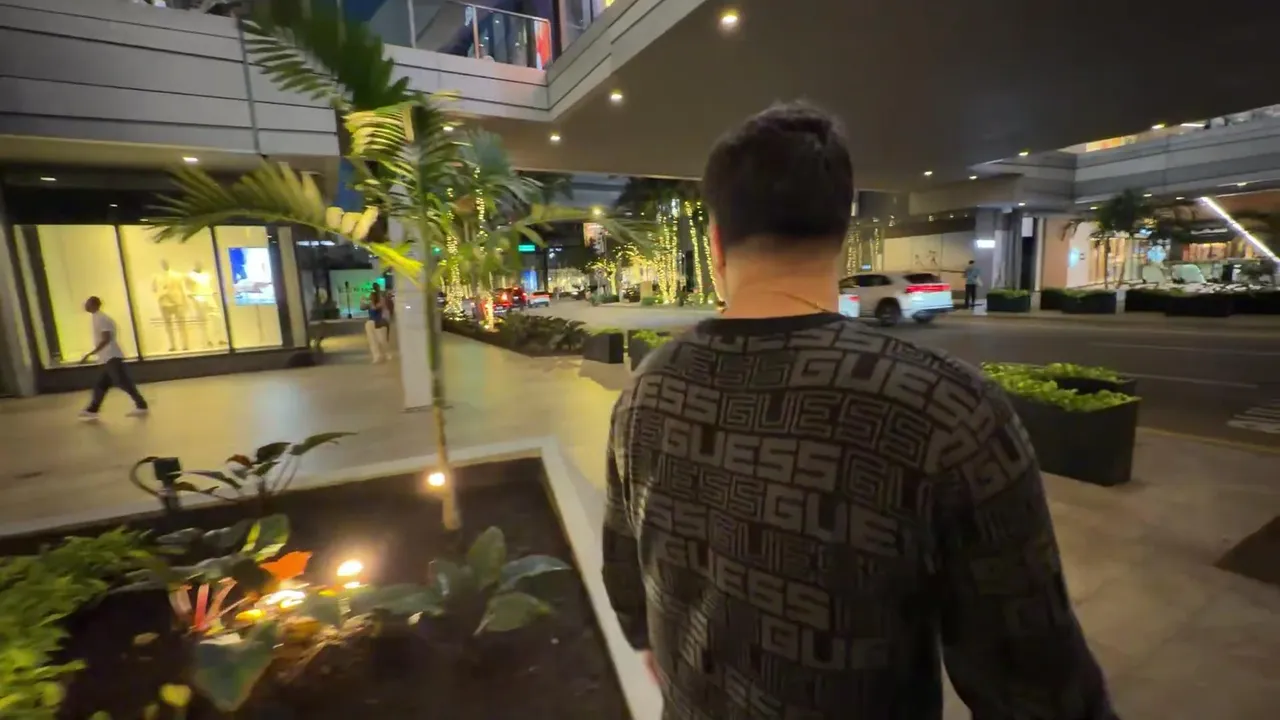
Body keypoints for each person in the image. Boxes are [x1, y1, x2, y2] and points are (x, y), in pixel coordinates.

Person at [601, 102, 1114, 719]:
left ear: (715, 245)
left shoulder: (646, 391)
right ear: (841, 238)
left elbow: (628, 586)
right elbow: (1039, 685)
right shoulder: (947, 411)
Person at [79, 296, 148, 421]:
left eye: (88, 303)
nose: (85, 306)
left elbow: (106, 338)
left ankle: (141, 405)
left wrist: (91, 353)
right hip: (106, 358)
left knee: (122, 381)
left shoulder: (102, 319)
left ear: (94, 305)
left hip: (111, 356)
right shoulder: (96, 318)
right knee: (102, 384)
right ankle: (92, 409)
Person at [362, 285, 391, 363]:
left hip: (379, 322)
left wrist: (372, 302)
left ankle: (386, 353)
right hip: (370, 322)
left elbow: (376, 307)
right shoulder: (370, 301)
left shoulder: (380, 300)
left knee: (381, 340)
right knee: (372, 341)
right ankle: (376, 356)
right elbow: (362, 307)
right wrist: (364, 299)